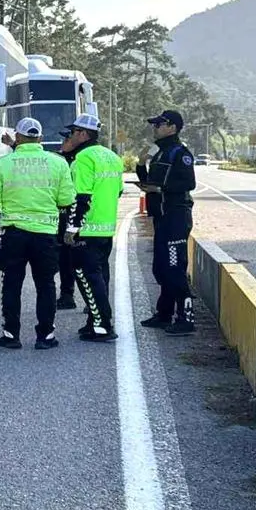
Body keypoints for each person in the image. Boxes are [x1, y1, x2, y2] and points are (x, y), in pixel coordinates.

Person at [0, 117, 76, 350]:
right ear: (40, 138)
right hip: (45, 234)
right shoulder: (58, 163)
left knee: (11, 284)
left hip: (13, 234)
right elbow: (66, 199)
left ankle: (11, 335)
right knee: (46, 284)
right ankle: (46, 336)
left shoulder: (2, 164)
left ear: (17, 137)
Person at [60, 115, 125, 342]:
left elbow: (81, 197)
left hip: (86, 229)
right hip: (106, 228)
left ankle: (103, 326)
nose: (71, 136)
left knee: (87, 278)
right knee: (100, 276)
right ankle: (94, 321)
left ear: (83, 134)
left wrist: (72, 227)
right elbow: (119, 191)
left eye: (73, 132)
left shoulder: (83, 158)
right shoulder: (113, 157)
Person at [136, 109, 196, 335]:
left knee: (174, 267)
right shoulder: (160, 153)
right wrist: (141, 165)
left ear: (172, 127)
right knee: (161, 268)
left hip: (176, 217)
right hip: (161, 217)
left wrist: (160, 189)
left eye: (159, 124)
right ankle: (164, 314)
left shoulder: (180, 153)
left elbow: (189, 183)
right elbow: (150, 182)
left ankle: (186, 318)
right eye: (154, 124)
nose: (155, 128)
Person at [55, 126, 80, 311]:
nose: (62, 143)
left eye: (66, 139)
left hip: (76, 214)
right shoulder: (60, 159)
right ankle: (67, 295)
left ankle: (74, 296)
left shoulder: (80, 161)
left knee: (74, 258)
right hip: (64, 215)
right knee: (64, 257)